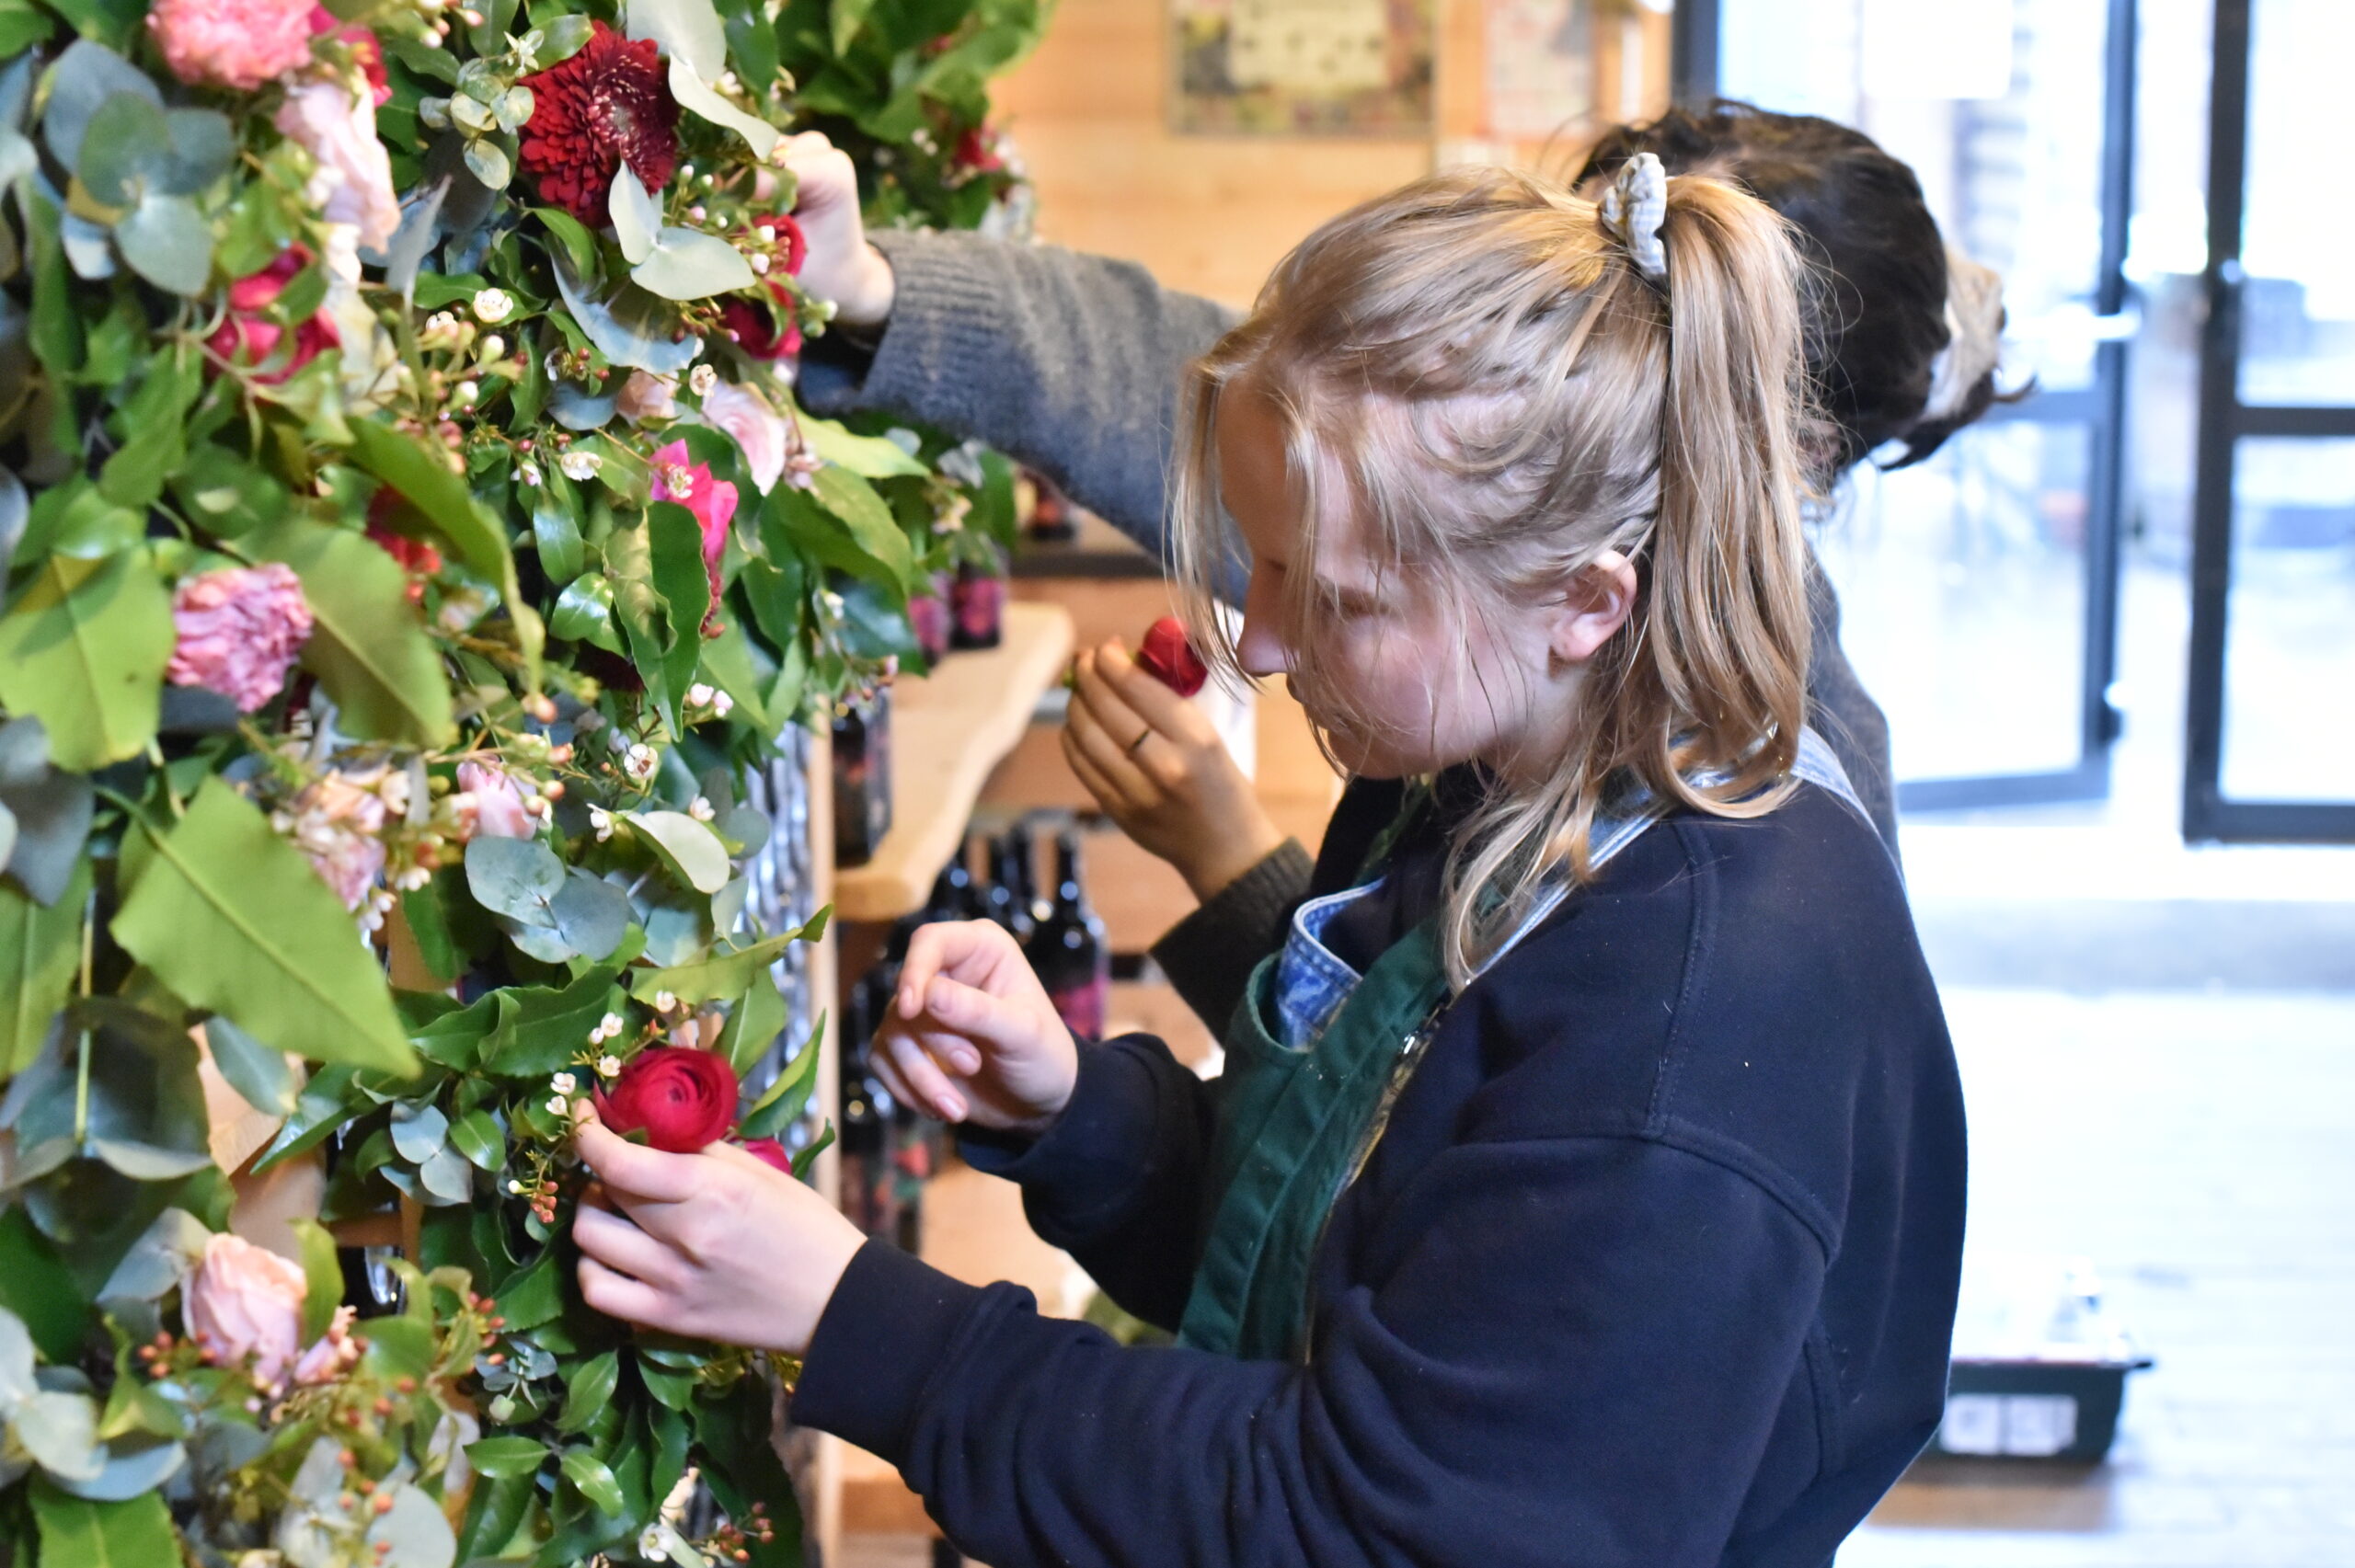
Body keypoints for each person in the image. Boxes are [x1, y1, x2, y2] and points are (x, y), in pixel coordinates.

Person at [575, 158, 1967, 1567]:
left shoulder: (1693, 1021)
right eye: (1266, 562)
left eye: (1337, 597)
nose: (1265, 641)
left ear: (1583, 601)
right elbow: (1359, 1258)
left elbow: (1361, 1522)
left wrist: (863, 1319)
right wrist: (1084, 1116)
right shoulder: (1484, 773)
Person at [785, 100, 2005, 1030]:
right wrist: (864, 288)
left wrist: (1229, 861)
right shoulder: (1482, 548)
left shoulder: (1770, 857)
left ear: (1785, 449)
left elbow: (1422, 1159)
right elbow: (1141, 361)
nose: (1265, 643)